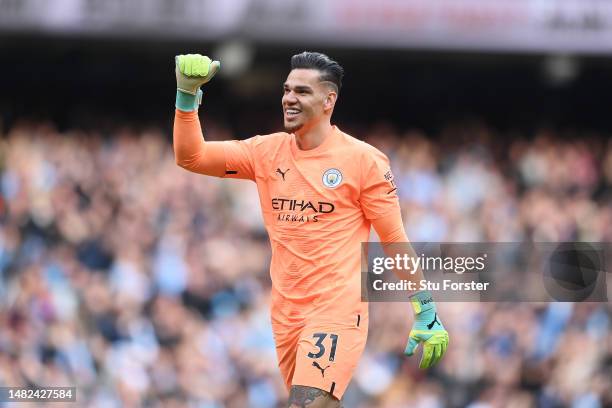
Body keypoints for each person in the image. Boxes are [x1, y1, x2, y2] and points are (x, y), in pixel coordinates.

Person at [172, 52, 449, 407]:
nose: (289, 98)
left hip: (336, 310)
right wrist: (185, 95)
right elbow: (190, 157)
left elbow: (394, 239)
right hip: (286, 313)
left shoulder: (364, 160)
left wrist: (425, 308)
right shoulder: (265, 152)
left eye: (302, 91)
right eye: (287, 90)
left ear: (328, 100)